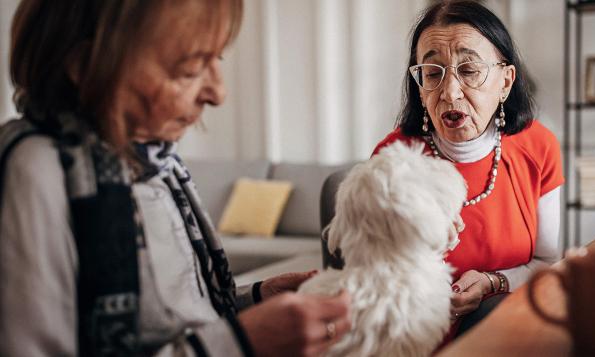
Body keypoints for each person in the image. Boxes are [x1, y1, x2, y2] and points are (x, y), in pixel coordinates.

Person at [0, 1, 350, 356]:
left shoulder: (155, 162)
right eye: (190, 70)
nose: (218, 93)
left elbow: (173, 320)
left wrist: (255, 300)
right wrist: (241, 343)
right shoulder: (36, 172)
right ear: (86, 66)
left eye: (217, 60)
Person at [372, 0, 563, 336]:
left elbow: (547, 263)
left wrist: (492, 283)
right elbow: (373, 275)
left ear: (505, 81)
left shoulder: (538, 147)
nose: (449, 92)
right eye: (432, 73)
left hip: (508, 329)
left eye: (469, 70)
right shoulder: (393, 158)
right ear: (419, 86)